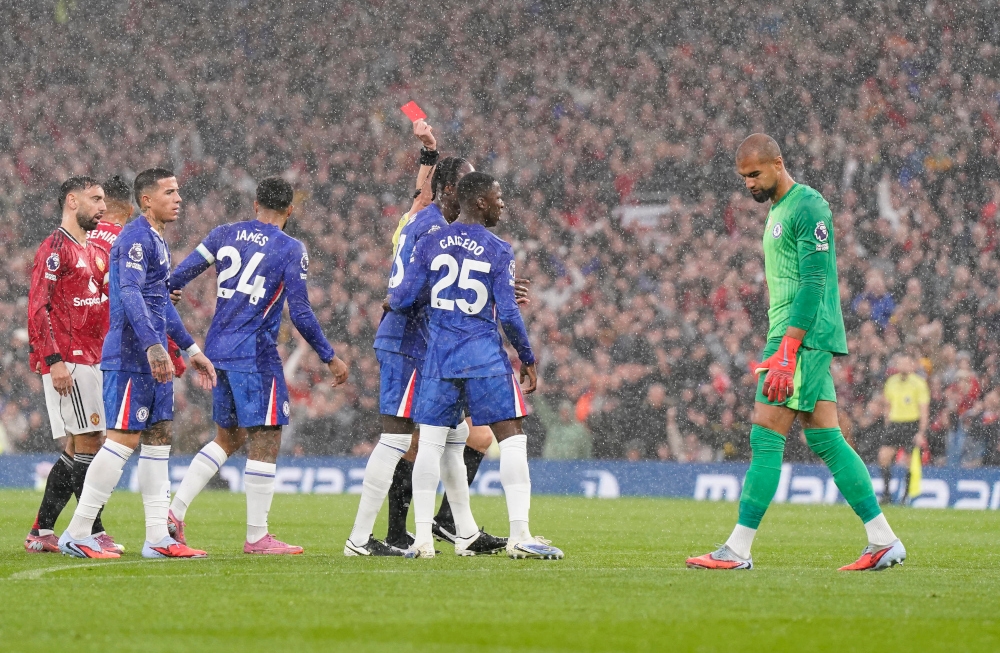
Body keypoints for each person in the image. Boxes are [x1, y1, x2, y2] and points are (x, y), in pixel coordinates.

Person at [686, 135, 905, 571]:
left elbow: (813, 281)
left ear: (777, 163)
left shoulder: (808, 206)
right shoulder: (778, 211)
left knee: (765, 436)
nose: (748, 183)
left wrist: (788, 347)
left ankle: (738, 549)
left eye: (754, 174)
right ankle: (883, 539)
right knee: (827, 438)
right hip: (795, 337)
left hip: (799, 338)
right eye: (743, 177)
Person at [345, 120, 505, 556]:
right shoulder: (434, 230)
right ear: (452, 190)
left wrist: (429, 153)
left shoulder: (422, 218)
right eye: (468, 182)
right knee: (398, 440)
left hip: (427, 344)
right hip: (409, 342)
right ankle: (361, 538)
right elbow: (420, 291)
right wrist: (397, 300)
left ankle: (464, 532)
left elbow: (419, 197)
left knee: (458, 438)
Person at [165, 177, 349, 554]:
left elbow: (177, 277)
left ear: (254, 204)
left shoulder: (223, 234)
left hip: (217, 350)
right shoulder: (290, 248)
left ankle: (175, 511)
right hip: (255, 354)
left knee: (228, 437)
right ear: (290, 210)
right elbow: (299, 310)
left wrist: (172, 291)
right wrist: (329, 355)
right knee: (266, 438)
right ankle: (256, 536)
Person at [389, 171, 563, 560]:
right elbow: (510, 316)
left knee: (429, 448)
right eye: (498, 197)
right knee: (513, 439)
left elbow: (404, 296)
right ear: (480, 201)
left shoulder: (431, 240)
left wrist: (395, 299)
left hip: (439, 357)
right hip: (483, 356)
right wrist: (528, 357)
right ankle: (520, 536)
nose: (502, 204)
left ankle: (421, 541)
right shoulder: (498, 248)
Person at [59, 168, 217, 559]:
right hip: (130, 356)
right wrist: (152, 346)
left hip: (152, 356)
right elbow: (128, 292)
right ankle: (77, 532)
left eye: (178, 191)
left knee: (159, 436)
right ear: (146, 200)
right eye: (169, 192)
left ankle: (157, 539)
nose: (178, 198)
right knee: (123, 440)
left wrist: (191, 350)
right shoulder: (134, 237)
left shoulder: (157, 240)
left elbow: (160, 304)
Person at [24, 177, 122, 554]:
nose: (102, 206)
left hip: (93, 357)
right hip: (69, 359)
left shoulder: (91, 250)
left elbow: (104, 295)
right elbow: (37, 308)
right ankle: (87, 531)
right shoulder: (54, 249)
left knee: (80, 445)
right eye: (95, 199)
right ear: (71, 200)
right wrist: (54, 361)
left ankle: (42, 530)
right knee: (90, 443)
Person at [880, 354, 929, 503]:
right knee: (883, 457)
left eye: (906, 363)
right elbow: (887, 406)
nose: (903, 366)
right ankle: (887, 494)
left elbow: (924, 410)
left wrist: (921, 432)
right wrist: (887, 423)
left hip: (911, 424)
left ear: (912, 366)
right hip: (895, 424)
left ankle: (905, 496)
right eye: (900, 363)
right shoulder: (891, 382)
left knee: (908, 461)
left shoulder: (919, 383)